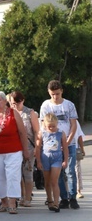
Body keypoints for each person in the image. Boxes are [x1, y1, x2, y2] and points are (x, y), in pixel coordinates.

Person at [39, 80, 79, 210]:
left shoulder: (69, 105)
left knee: (70, 171)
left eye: (57, 93)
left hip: (68, 142)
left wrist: (67, 141)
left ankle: (73, 197)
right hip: (52, 145)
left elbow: (73, 125)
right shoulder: (46, 105)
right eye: (52, 94)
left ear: (61, 91)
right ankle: (63, 198)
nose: (55, 96)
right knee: (58, 174)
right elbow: (43, 124)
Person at [8, 91, 40, 207]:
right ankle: (20, 195)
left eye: (16, 103)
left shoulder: (29, 112)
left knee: (27, 173)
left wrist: (37, 147)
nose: (14, 105)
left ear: (22, 101)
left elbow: (37, 131)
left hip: (29, 146)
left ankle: (27, 197)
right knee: (16, 173)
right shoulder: (10, 112)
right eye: (12, 103)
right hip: (14, 147)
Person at [35, 113, 68, 212]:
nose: (52, 128)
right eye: (49, 126)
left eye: (54, 126)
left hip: (57, 158)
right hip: (45, 158)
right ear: (45, 125)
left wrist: (65, 160)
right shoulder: (42, 133)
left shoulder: (61, 133)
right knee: (47, 181)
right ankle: (49, 199)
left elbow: (65, 148)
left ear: (57, 124)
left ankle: (56, 203)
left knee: (54, 181)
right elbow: (37, 148)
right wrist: (39, 161)